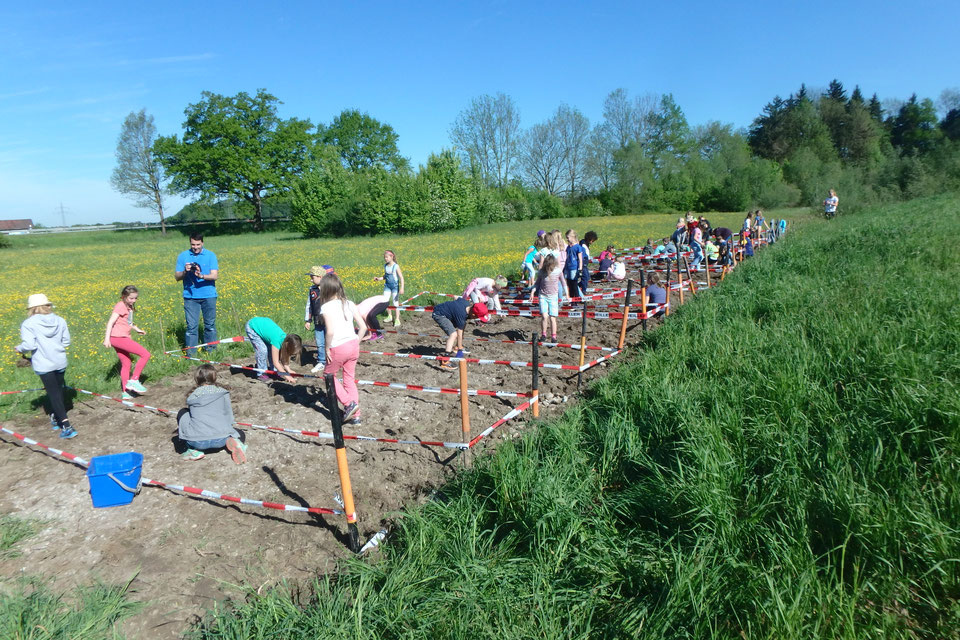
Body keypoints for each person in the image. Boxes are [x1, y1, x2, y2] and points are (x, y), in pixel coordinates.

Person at [15, 294, 76, 439]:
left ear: (32, 308)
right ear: (47, 305)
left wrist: (19, 348)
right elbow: (66, 341)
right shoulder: (60, 320)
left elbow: (29, 345)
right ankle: (56, 416)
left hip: (44, 364)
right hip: (60, 361)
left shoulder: (28, 324)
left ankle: (67, 426)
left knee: (53, 394)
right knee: (58, 391)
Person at [319, 273, 367, 425]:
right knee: (349, 380)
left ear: (325, 289)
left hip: (338, 346)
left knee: (328, 376)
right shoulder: (349, 303)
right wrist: (356, 342)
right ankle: (356, 416)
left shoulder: (326, 307)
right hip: (353, 344)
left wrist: (327, 348)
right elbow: (363, 327)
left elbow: (330, 331)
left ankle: (348, 404)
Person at [178, 364, 246, 463]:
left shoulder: (192, 397)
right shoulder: (223, 393)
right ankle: (234, 442)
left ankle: (193, 450)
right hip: (222, 439)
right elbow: (229, 416)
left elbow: (193, 417)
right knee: (241, 434)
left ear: (197, 379)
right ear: (214, 377)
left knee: (183, 412)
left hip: (197, 441)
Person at [103, 285, 151, 400]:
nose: (133, 301)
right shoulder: (120, 306)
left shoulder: (129, 307)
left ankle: (126, 392)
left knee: (127, 363)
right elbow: (110, 322)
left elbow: (128, 322)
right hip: (118, 338)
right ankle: (134, 380)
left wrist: (137, 329)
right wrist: (106, 339)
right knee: (145, 354)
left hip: (120, 337)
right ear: (124, 297)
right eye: (131, 298)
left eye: (135, 298)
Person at [175, 233, 219, 357]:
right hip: (190, 297)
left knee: (210, 325)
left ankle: (211, 352)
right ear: (190, 243)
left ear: (202, 243)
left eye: (198, 244)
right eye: (193, 244)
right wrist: (185, 271)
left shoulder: (210, 255)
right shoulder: (183, 256)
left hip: (209, 295)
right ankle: (191, 354)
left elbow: (215, 276)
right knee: (191, 327)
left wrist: (201, 276)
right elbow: (177, 277)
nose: (195, 247)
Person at [244, 317, 301, 382]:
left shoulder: (286, 340)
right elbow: (276, 362)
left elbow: (283, 356)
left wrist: (288, 370)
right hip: (252, 326)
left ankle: (274, 372)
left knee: (272, 351)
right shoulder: (277, 341)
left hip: (264, 326)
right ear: (287, 345)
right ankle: (261, 373)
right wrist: (286, 375)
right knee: (262, 350)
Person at [530, 253, 568, 345]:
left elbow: (563, 283)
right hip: (543, 296)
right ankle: (543, 335)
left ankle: (553, 336)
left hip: (553, 297)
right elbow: (537, 284)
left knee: (552, 317)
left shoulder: (558, 271)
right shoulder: (541, 272)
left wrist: (567, 294)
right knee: (544, 316)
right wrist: (532, 292)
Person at [432, 297, 484, 363]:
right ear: (473, 314)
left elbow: (456, 297)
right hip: (439, 314)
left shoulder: (466, 303)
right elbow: (459, 334)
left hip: (444, 311)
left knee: (463, 325)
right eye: (477, 317)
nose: (477, 319)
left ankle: (457, 347)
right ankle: (445, 360)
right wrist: (460, 350)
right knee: (453, 334)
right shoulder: (461, 315)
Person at [304, 265, 335, 374]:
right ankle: (322, 361)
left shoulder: (330, 288)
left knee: (331, 341)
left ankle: (333, 360)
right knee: (320, 342)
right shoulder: (312, 289)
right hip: (317, 320)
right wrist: (308, 320)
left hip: (330, 321)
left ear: (320, 277)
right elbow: (309, 305)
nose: (311, 279)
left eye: (313, 277)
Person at [373, 250, 404, 327]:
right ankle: (389, 316)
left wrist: (402, 288)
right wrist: (378, 278)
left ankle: (397, 319)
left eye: (387, 257)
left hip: (395, 287)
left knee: (395, 303)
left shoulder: (396, 266)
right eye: (384, 257)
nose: (385, 259)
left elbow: (401, 277)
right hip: (387, 286)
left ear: (392, 257)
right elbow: (385, 276)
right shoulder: (385, 266)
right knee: (385, 301)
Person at [564, 230, 585, 298]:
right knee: (569, 284)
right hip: (568, 267)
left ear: (572, 237)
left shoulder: (578, 247)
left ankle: (576, 300)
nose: (567, 239)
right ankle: (571, 300)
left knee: (574, 284)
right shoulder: (568, 247)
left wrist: (580, 269)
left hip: (574, 267)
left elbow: (580, 259)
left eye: (568, 237)